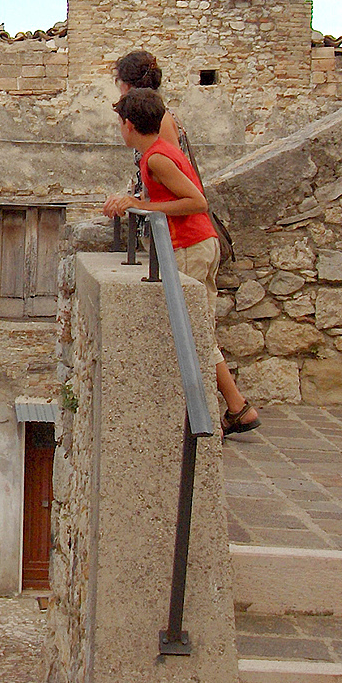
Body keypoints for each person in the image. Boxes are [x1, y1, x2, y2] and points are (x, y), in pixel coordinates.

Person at [102, 87, 260, 435]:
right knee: (196, 329)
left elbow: (196, 202)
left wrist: (139, 205)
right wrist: (133, 199)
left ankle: (212, 419)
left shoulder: (156, 158)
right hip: (195, 245)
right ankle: (235, 408)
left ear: (128, 125)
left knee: (192, 333)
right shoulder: (157, 153)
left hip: (190, 246)